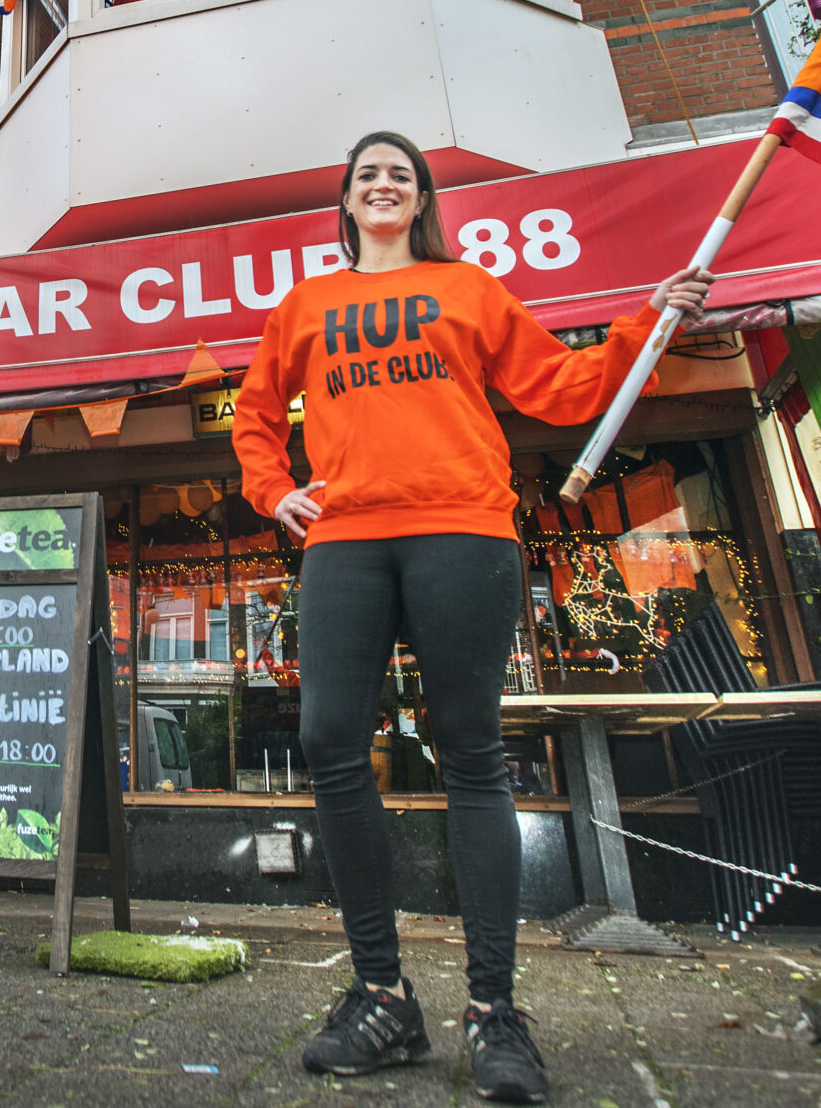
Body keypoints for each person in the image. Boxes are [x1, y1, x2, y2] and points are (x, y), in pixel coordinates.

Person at [233, 130, 710, 1103]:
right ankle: (380, 995)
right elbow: (252, 410)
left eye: (398, 175)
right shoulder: (305, 305)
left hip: (462, 528)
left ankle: (494, 1012)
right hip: (345, 539)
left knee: (469, 746)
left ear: (417, 201)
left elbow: (564, 387)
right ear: (346, 199)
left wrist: (642, 326)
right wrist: (270, 488)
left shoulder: (470, 288)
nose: (382, 184)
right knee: (328, 739)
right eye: (366, 172)